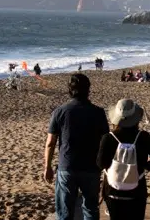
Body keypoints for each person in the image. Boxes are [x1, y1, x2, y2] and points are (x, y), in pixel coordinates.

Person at [44, 74, 108, 220]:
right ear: (88, 89)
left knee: (65, 210)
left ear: (69, 90)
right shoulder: (98, 112)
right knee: (90, 208)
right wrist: (105, 166)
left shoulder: (59, 111)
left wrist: (47, 167)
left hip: (67, 166)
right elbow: (105, 141)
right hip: (92, 167)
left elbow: (50, 143)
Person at [97, 99, 150, 220]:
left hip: (113, 190)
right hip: (137, 190)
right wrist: (145, 166)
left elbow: (100, 163)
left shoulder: (108, 138)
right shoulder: (143, 137)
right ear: (136, 118)